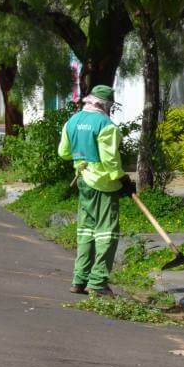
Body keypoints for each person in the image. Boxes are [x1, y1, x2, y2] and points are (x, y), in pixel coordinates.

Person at [57, 84, 135, 297]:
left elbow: (64, 152)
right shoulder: (106, 125)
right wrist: (123, 179)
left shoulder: (72, 122)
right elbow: (110, 160)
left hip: (83, 182)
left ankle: (79, 279)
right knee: (107, 232)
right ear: (106, 105)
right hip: (104, 185)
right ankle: (98, 282)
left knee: (86, 230)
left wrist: (82, 156)